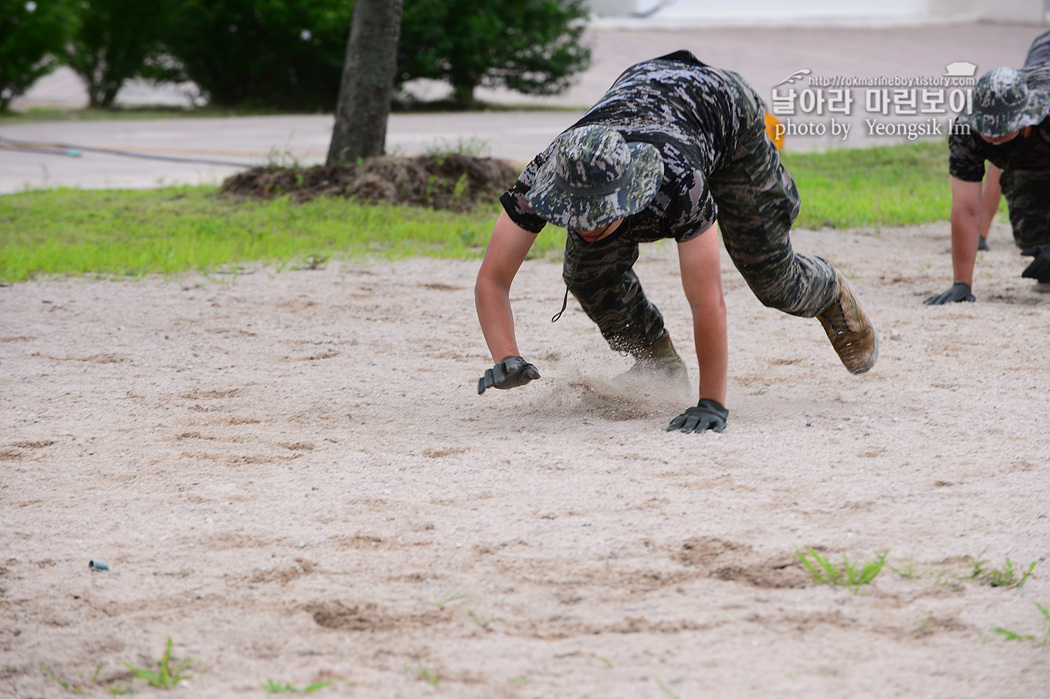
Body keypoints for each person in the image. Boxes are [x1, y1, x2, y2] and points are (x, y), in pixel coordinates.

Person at [474, 51, 879, 434]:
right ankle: (659, 363)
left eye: (598, 215)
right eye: (575, 215)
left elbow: (707, 300)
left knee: (772, 278)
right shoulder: (548, 173)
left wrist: (711, 403)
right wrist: (506, 355)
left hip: (729, 116)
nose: (587, 227)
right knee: (587, 272)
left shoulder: (678, 180)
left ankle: (829, 291)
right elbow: (493, 279)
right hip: (644, 95)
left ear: (626, 193)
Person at [926, 30, 1050, 304]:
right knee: (1033, 235)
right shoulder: (966, 132)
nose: (992, 138)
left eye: (1002, 132)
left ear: (1025, 122)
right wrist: (962, 284)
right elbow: (967, 209)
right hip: (1042, 52)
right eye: (987, 131)